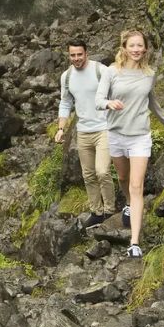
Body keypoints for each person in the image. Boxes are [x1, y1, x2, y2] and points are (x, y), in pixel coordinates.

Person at [95, 29, 164, 256]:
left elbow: (152, 102)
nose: (136, 49)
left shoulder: (149, 74)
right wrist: (109, 103)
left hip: (140, 137)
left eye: (139, 46)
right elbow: (98, 100)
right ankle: (127, 203)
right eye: (131, 45)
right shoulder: (112, 72)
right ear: (124, 48)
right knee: (123, 178)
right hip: (116, 134)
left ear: (145, 49)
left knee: (137, 186)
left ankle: (134, 243)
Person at [54, 38, 115, 227]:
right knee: (88, 175)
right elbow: (65, 103)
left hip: (104, 128)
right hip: (83, 132)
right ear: (69, 55)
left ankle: (110, 211)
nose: (76, 58)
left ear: (86, 53)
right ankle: (96, 212)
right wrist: (61, 128)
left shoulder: (100, 71)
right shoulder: (66, 77)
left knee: (102, 171)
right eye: (72, 55)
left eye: (79, 54)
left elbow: (116, 94)